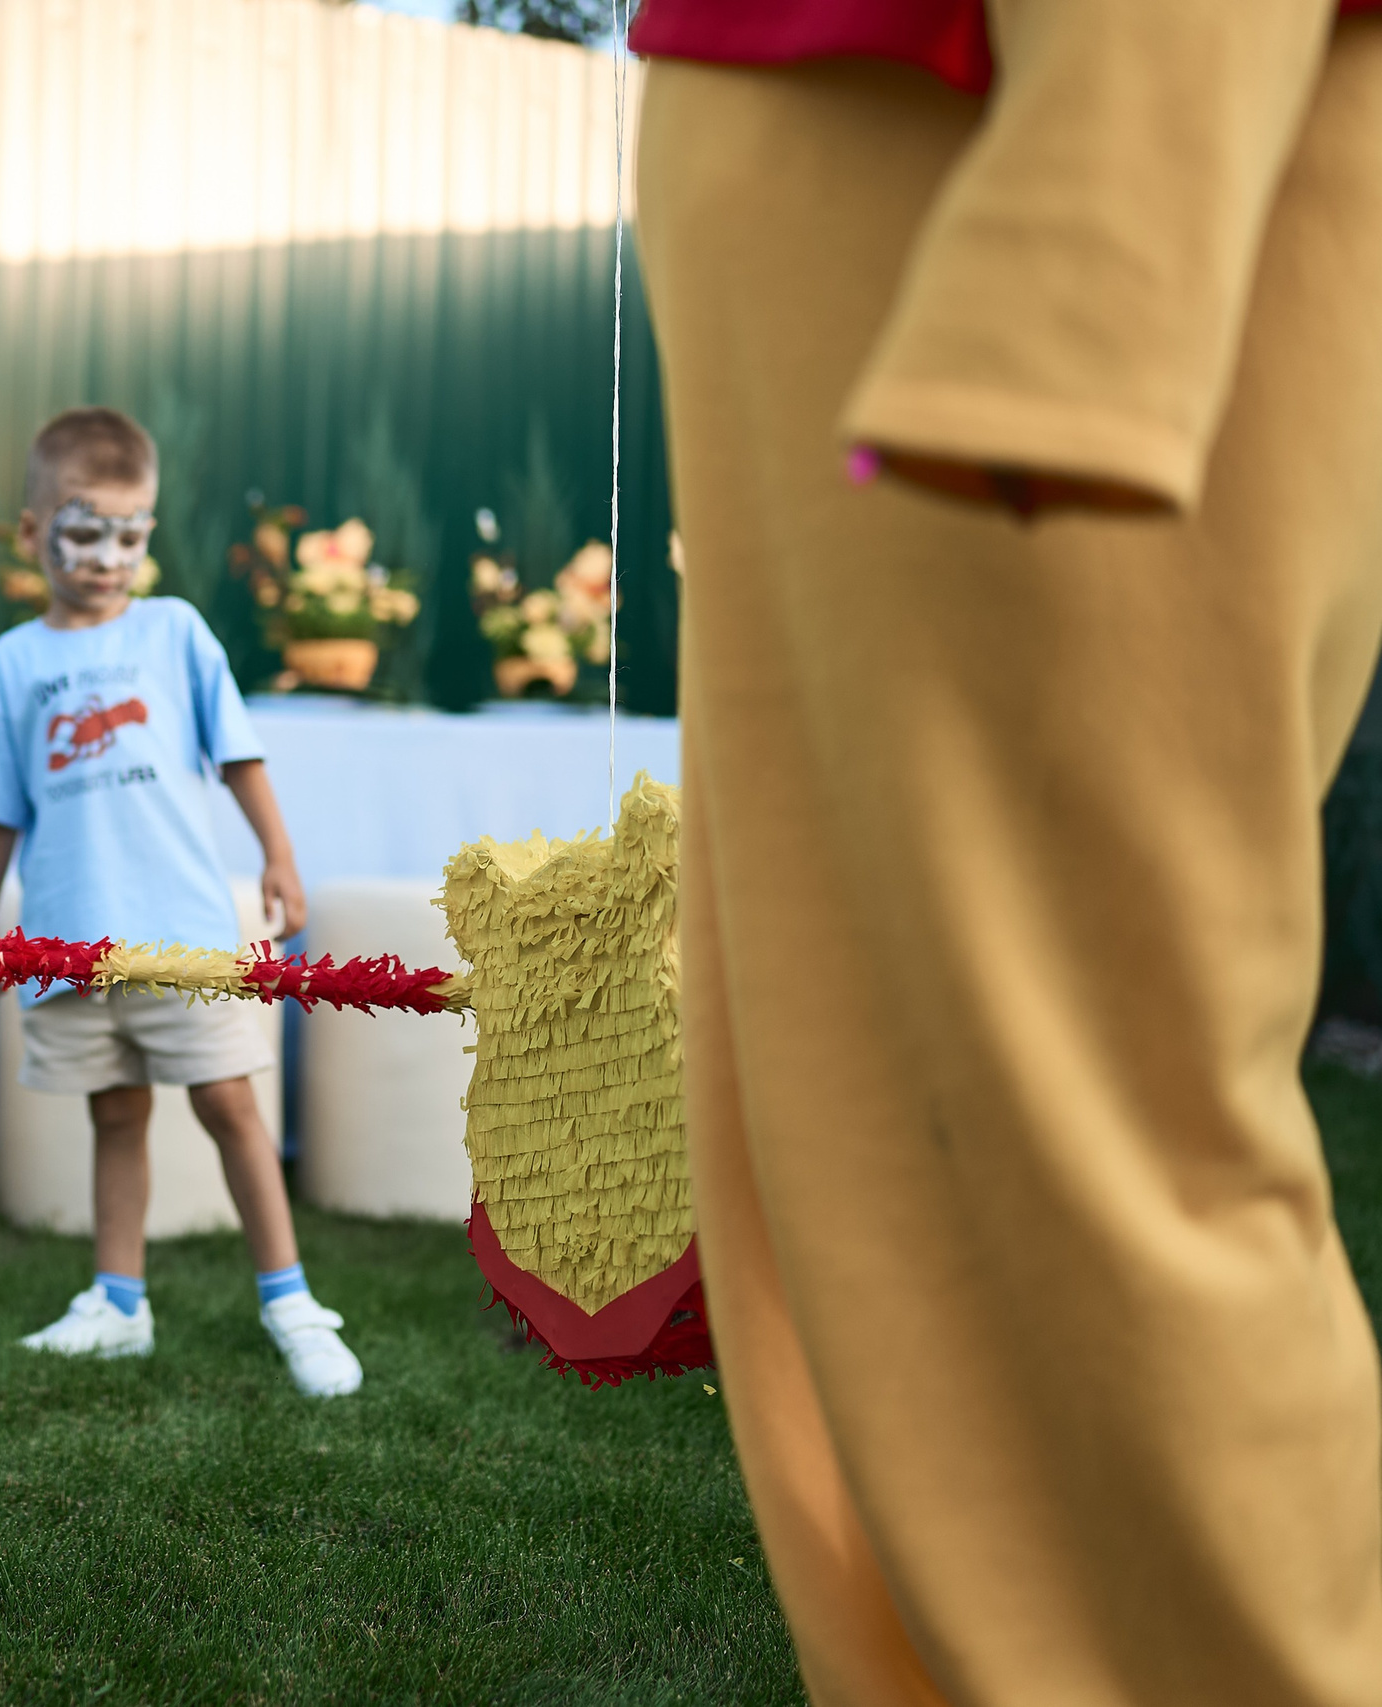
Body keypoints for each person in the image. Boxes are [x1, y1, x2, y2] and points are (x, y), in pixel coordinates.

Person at [629, 3, 1382, 1702]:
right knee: (837, 1151)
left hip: (1015, 114)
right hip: (806, 112)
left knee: (1078, 1129)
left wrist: (1106, 215)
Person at [0, 407, 362, 1398]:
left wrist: (279, 859)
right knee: (116, 1112)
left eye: (132, 536)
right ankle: (119, 1304)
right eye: (86, 533)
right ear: (35, 531)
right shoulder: (15, 662)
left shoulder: (175, 634)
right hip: (70, 941)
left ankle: (291, 1300)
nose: (110, 557)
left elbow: (239, 754)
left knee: (228, 1103)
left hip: (182, 932)